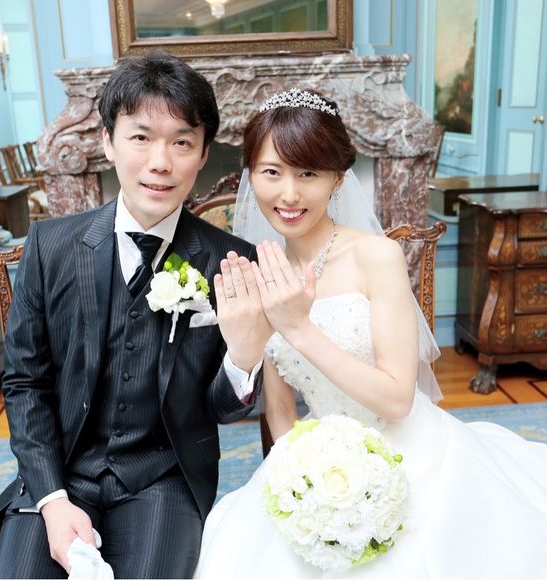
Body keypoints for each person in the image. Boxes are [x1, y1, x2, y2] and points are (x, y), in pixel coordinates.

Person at [194, 89, 547, 579]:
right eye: (272, 172)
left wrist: (298, 328)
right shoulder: (262, 270)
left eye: (308, 173)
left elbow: (398, 399)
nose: (289, 194)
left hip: (409, 450)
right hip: (317, 460)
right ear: (250, 175)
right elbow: (279, 411)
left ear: (338, 179)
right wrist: (300, 487)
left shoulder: (376, 256)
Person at [0, 51, 271, 579]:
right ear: (108, 142)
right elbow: (24, 382)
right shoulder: (51, 246)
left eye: (182, 142)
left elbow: (222, 410)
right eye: (141, 137)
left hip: (164, 478)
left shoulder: (232, 262)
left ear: (203, 154)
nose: (160, 162)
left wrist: (244, 356)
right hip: (61, 470)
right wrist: (53, 501)